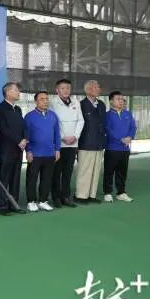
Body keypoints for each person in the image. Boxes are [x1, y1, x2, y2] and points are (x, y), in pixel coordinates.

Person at [0, 82, 27, 216]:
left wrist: (24, 139)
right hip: (6, 148)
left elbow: (22, 126)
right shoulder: (0, 108)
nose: (19, 92)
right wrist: (18, 140)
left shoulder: (18, 109)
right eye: (16, 90)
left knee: (16, 177)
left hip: (19, 148)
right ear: (7, 92)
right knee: (5, 177)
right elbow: (3, 129)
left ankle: (14, 204)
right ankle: (2, 206)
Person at [50, 79, 84, 208]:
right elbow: (53, 123)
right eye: (62, 88)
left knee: (68, 172)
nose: (66, 90)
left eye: (68, 88)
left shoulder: (76, 102)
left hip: (73, 144)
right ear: (57, 90)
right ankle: (56, 198)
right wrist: (62, 137)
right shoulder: (52, 103)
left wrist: (75, 136)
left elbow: (81, 121)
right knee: (56, 172)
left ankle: (66, 197)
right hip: (59, 144)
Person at [24, 91, 60, 212]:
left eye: (46, 99)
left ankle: (43, 201)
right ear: (36, 102)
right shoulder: (29, 116)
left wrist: (57, 149)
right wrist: (28, 151)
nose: (45, 101)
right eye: (42, 99)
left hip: (50, 153)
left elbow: (57, 134)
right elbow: (26, 135)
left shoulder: (53, 116)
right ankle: (31, 201)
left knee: (47, 178)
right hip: (35, 154)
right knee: (32, 178)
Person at [75, 80, 107, 204]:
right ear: (88, 90)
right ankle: (80, 196)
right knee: (84, 170)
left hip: (99, 143)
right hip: (85, 143)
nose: (99, 89)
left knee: (96, 170)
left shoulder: (101, 104)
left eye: (99, 87)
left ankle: (91, 195)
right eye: (96, 87)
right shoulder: (80, 105)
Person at [103, 91, 137, 203]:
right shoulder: (107, 115)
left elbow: (133, 127)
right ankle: (107, 193)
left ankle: (121, 193)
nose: (121, 101)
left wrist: (130, 137)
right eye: (118, 99)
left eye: (122, 99)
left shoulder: (128, 114)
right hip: (112, 148)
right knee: (109, 171)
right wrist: (120, 139)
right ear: (111, 101)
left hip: (125, 149)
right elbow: (108, 129)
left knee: (122, 172)